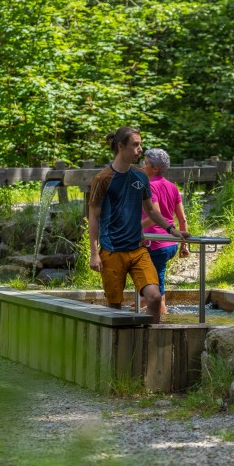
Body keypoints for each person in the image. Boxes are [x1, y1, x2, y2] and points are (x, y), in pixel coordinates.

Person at [88, 127, 191, 323]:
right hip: (112, 251)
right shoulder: (102, 179)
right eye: (136, 145)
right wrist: (94, 253)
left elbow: (152, 211)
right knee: (115, 308)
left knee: (154, 297)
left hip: (138, 249)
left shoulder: (140, 177)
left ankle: (150, 343)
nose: (140, 149)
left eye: (140, 144)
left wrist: (173, 230)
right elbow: (93, 215)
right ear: (121, 146)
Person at [140, 148, 190, 315]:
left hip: (155, 243)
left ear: (154, 168)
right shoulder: (172, 187)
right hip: (171, 243)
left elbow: (155, 215)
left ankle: (163, 318)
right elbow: (182, 219)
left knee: (156, 287)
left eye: (145, 163)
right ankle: (140, 304)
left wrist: (134, 227)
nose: (142, 165)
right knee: (154, 279)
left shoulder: (150, 187)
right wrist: (184, 245)